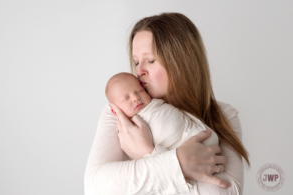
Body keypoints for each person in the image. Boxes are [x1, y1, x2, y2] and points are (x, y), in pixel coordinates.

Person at [84, 12, 250, 195]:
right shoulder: (122, 109)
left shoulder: (224, 114)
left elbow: (228, 191)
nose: (139, 71)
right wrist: (177, 163)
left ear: (181, 61)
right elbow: (95, 187)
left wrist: (149, 153)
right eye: (136, 61)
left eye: (150, 61)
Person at [105, 72, 219, 160]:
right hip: (179, 151)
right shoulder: (128, 129)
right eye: (126, 98)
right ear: (115, 110)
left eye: (139, 91)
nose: (136, 98)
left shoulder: (155, 101)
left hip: (197, 133)